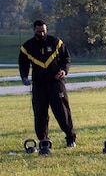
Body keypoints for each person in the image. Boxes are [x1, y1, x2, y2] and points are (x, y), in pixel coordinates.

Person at [18, 20, 77, 148]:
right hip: (39, 85)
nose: (42, 33)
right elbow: (23, 64)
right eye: (39, 31)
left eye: (44, 30)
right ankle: (44, 141)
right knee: (40, 114)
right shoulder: (27, 47)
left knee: (62, 112)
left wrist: (63, 70)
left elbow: (66, 59)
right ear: (34, 30)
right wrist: (24, 77)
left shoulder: (56, 42)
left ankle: (70, 138)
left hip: (56, 83)